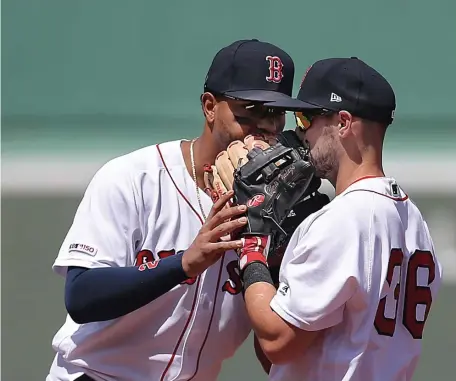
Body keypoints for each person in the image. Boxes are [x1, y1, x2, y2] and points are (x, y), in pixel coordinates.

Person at [46, 38, 309, 381]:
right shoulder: (134, 179)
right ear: (210, 106)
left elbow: (274, 355)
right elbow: (81, 296)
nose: (266, 125)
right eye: (251, 109)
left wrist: (269, 258)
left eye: (276, 112)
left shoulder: (275, 211)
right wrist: (184, 263)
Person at [239, 57, 443, 380]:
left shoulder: (342, 221)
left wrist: (251, 248)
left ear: (344, 123)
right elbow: (278, 356)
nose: (299, 132)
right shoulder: (414, 221)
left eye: (306, 118)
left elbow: (278, 342)